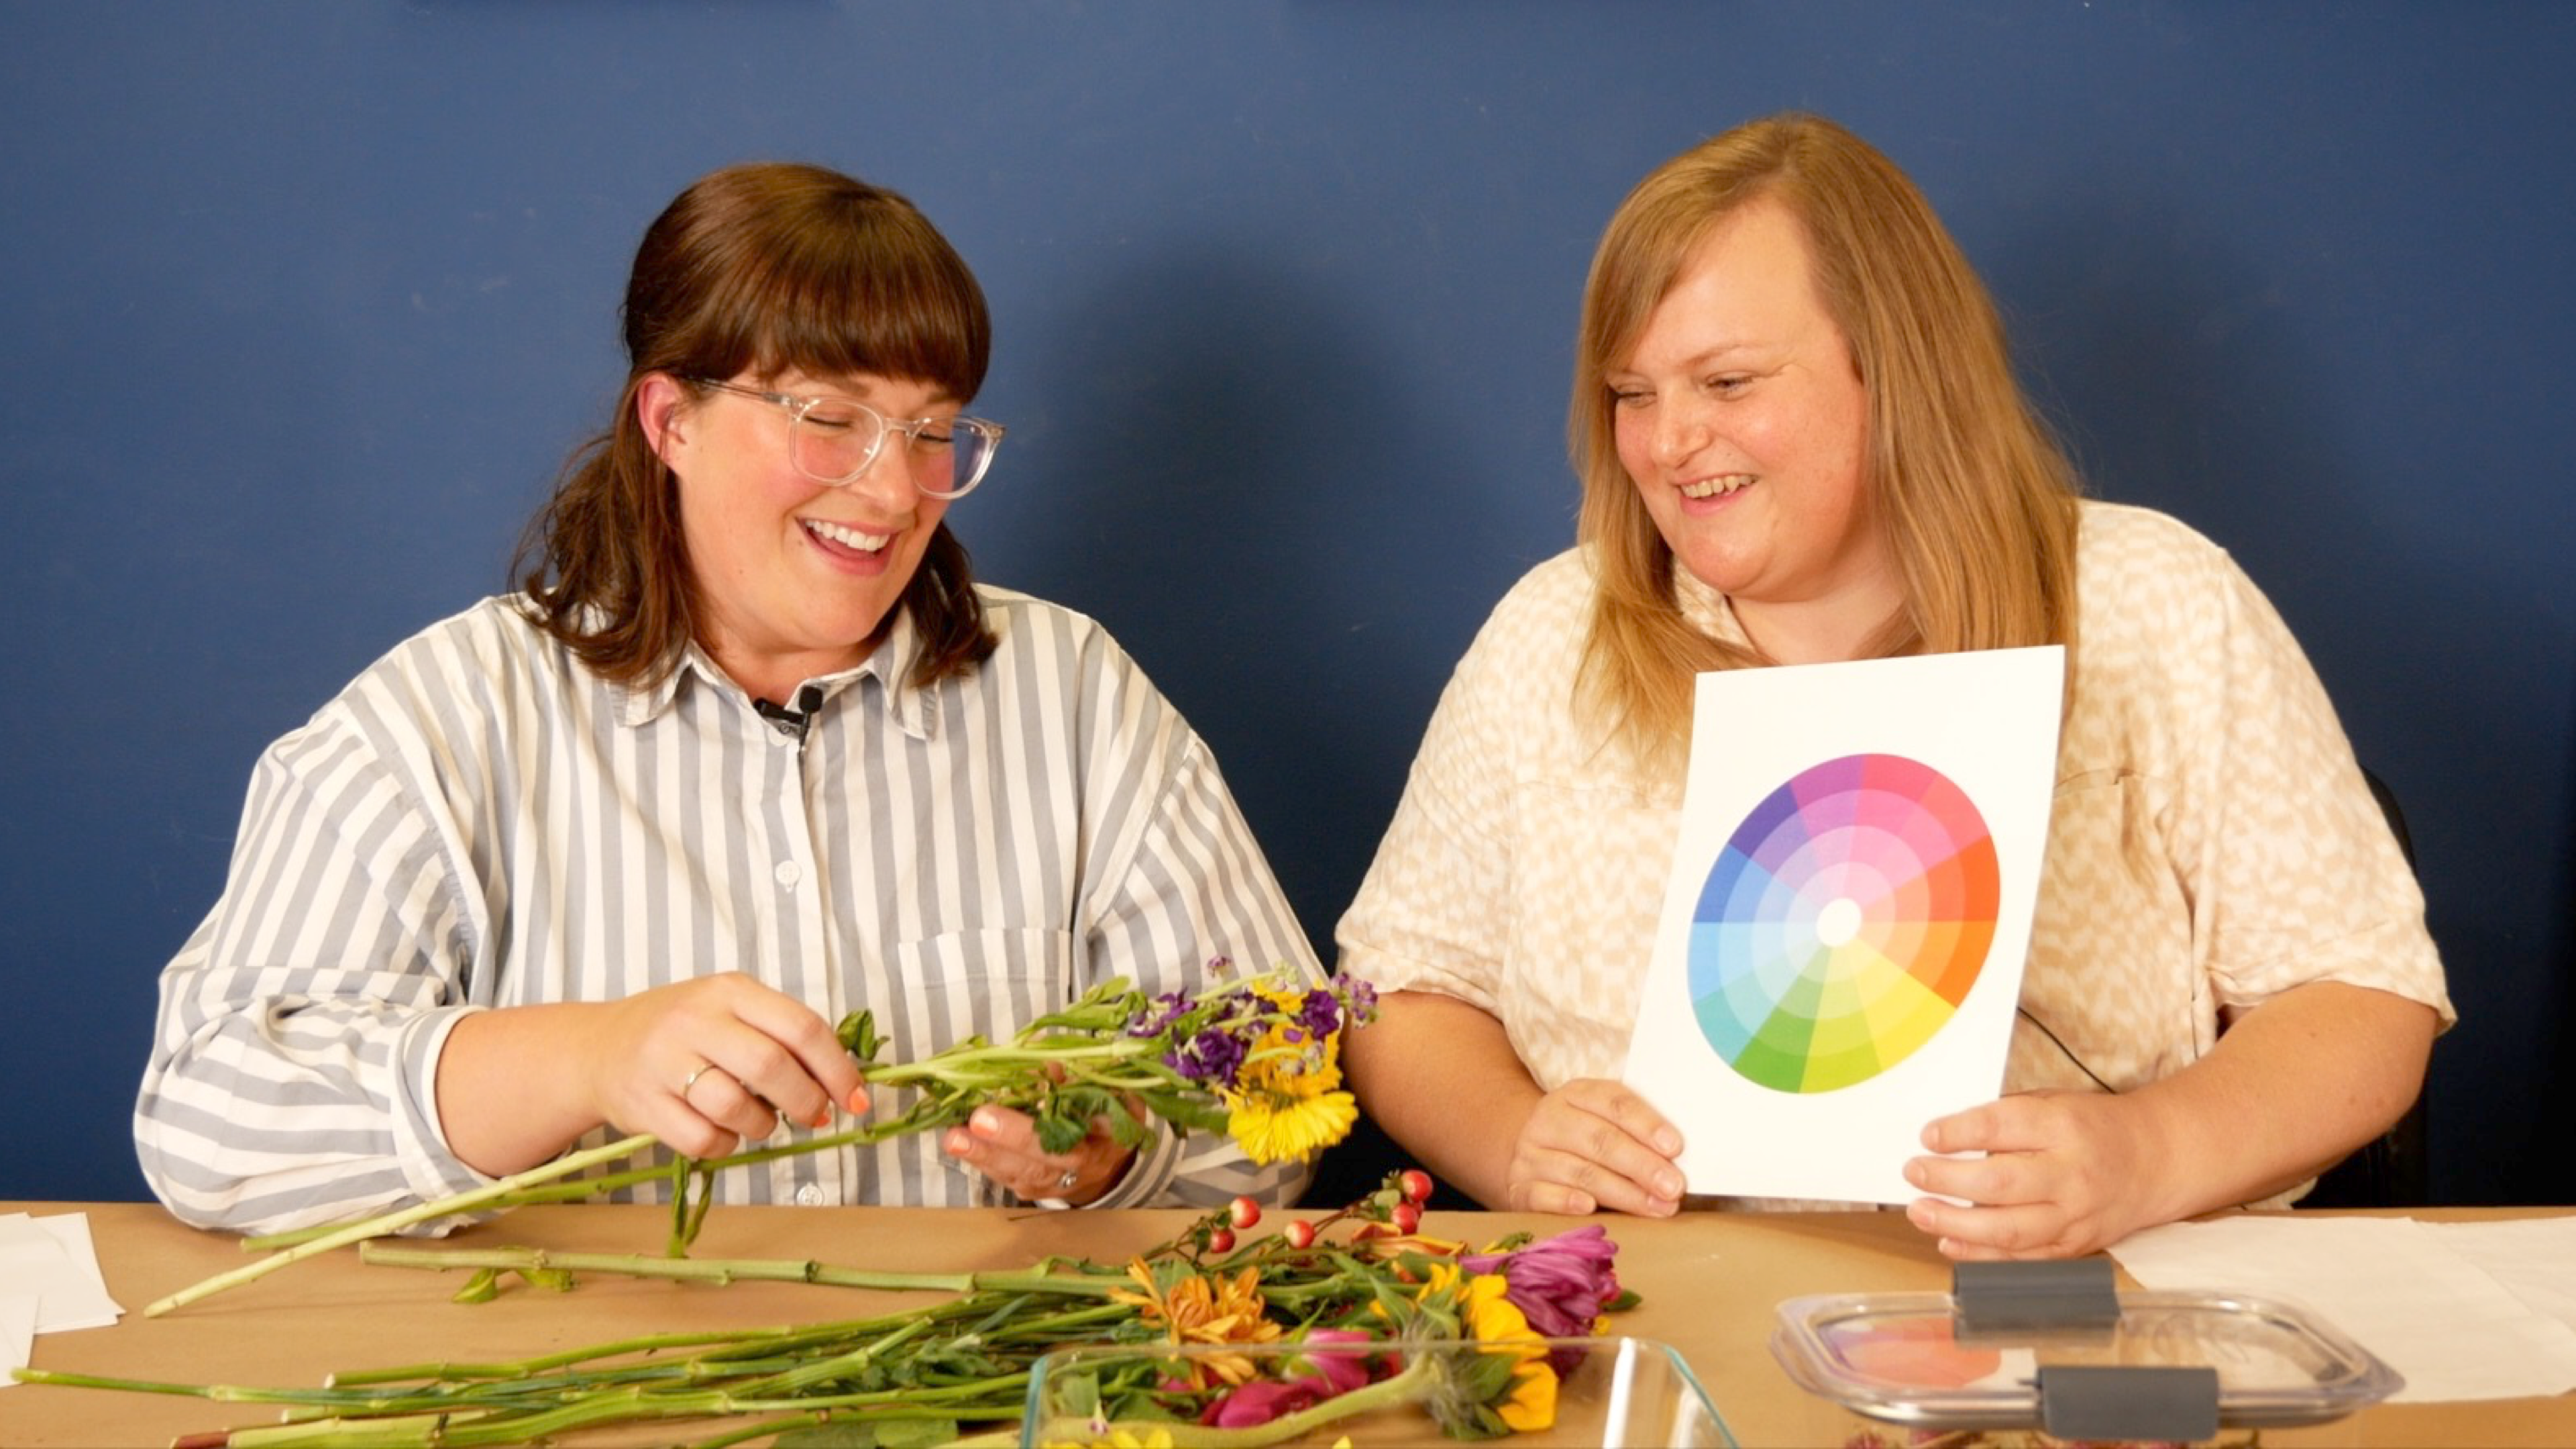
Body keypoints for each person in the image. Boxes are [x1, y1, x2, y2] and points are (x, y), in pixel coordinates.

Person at [1336, 113, 2451, 1260]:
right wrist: (1518, 1139)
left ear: (1898, 367)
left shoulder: (2155, 603)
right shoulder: (1551, 637)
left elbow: (2360, 996)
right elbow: (1395, 996)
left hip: (2076, 1307)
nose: (1670, 442)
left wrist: (2147, 1156)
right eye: (1633, 393)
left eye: (1726, 380)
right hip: (1651, 1311)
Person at [136, 162, 1320, 1236]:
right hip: (580, 1384)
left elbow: (1285, 1076)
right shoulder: (447, 717)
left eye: (930, 432)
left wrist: (1115, 1162)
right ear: (672, 421)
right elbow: (205, 1121)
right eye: (830, 418)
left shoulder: (1074, 700)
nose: (897, 489)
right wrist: (585, 1057)